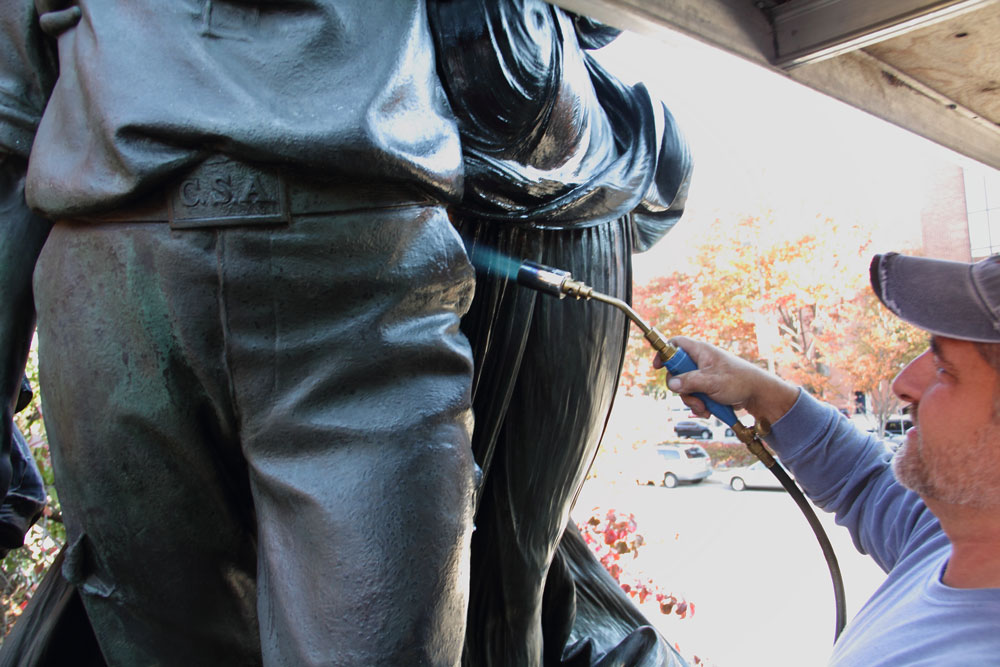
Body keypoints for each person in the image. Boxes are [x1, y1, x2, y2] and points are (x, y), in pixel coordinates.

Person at [660, 251, 1000, 665]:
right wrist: (756, 390)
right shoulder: (946, 535)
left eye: (946, 370)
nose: (903, 383)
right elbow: (864, 481)